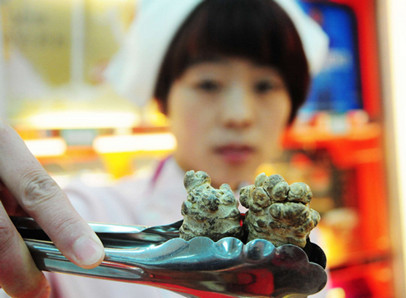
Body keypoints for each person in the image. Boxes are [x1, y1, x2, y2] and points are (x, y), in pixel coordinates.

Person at [0, 0, 329, 297]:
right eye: (208, 84)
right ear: (163, 100)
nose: (238, 115)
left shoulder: (299, 245)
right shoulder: (81, 214)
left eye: (265, 86)